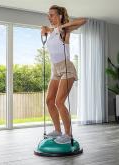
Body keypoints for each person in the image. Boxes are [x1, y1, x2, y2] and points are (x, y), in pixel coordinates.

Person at [41, 5, 86, 144]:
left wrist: (61, 26)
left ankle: (68, 134)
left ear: (60, 16)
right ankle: (57, 130)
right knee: (49, 101)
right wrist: (48, 30)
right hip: (55, 69)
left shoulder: (64, 30)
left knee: (59, 102)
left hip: (67, 68)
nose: (50, 18)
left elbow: (83, 21)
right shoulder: (52, 31)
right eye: (49, 15)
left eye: (53, 15)